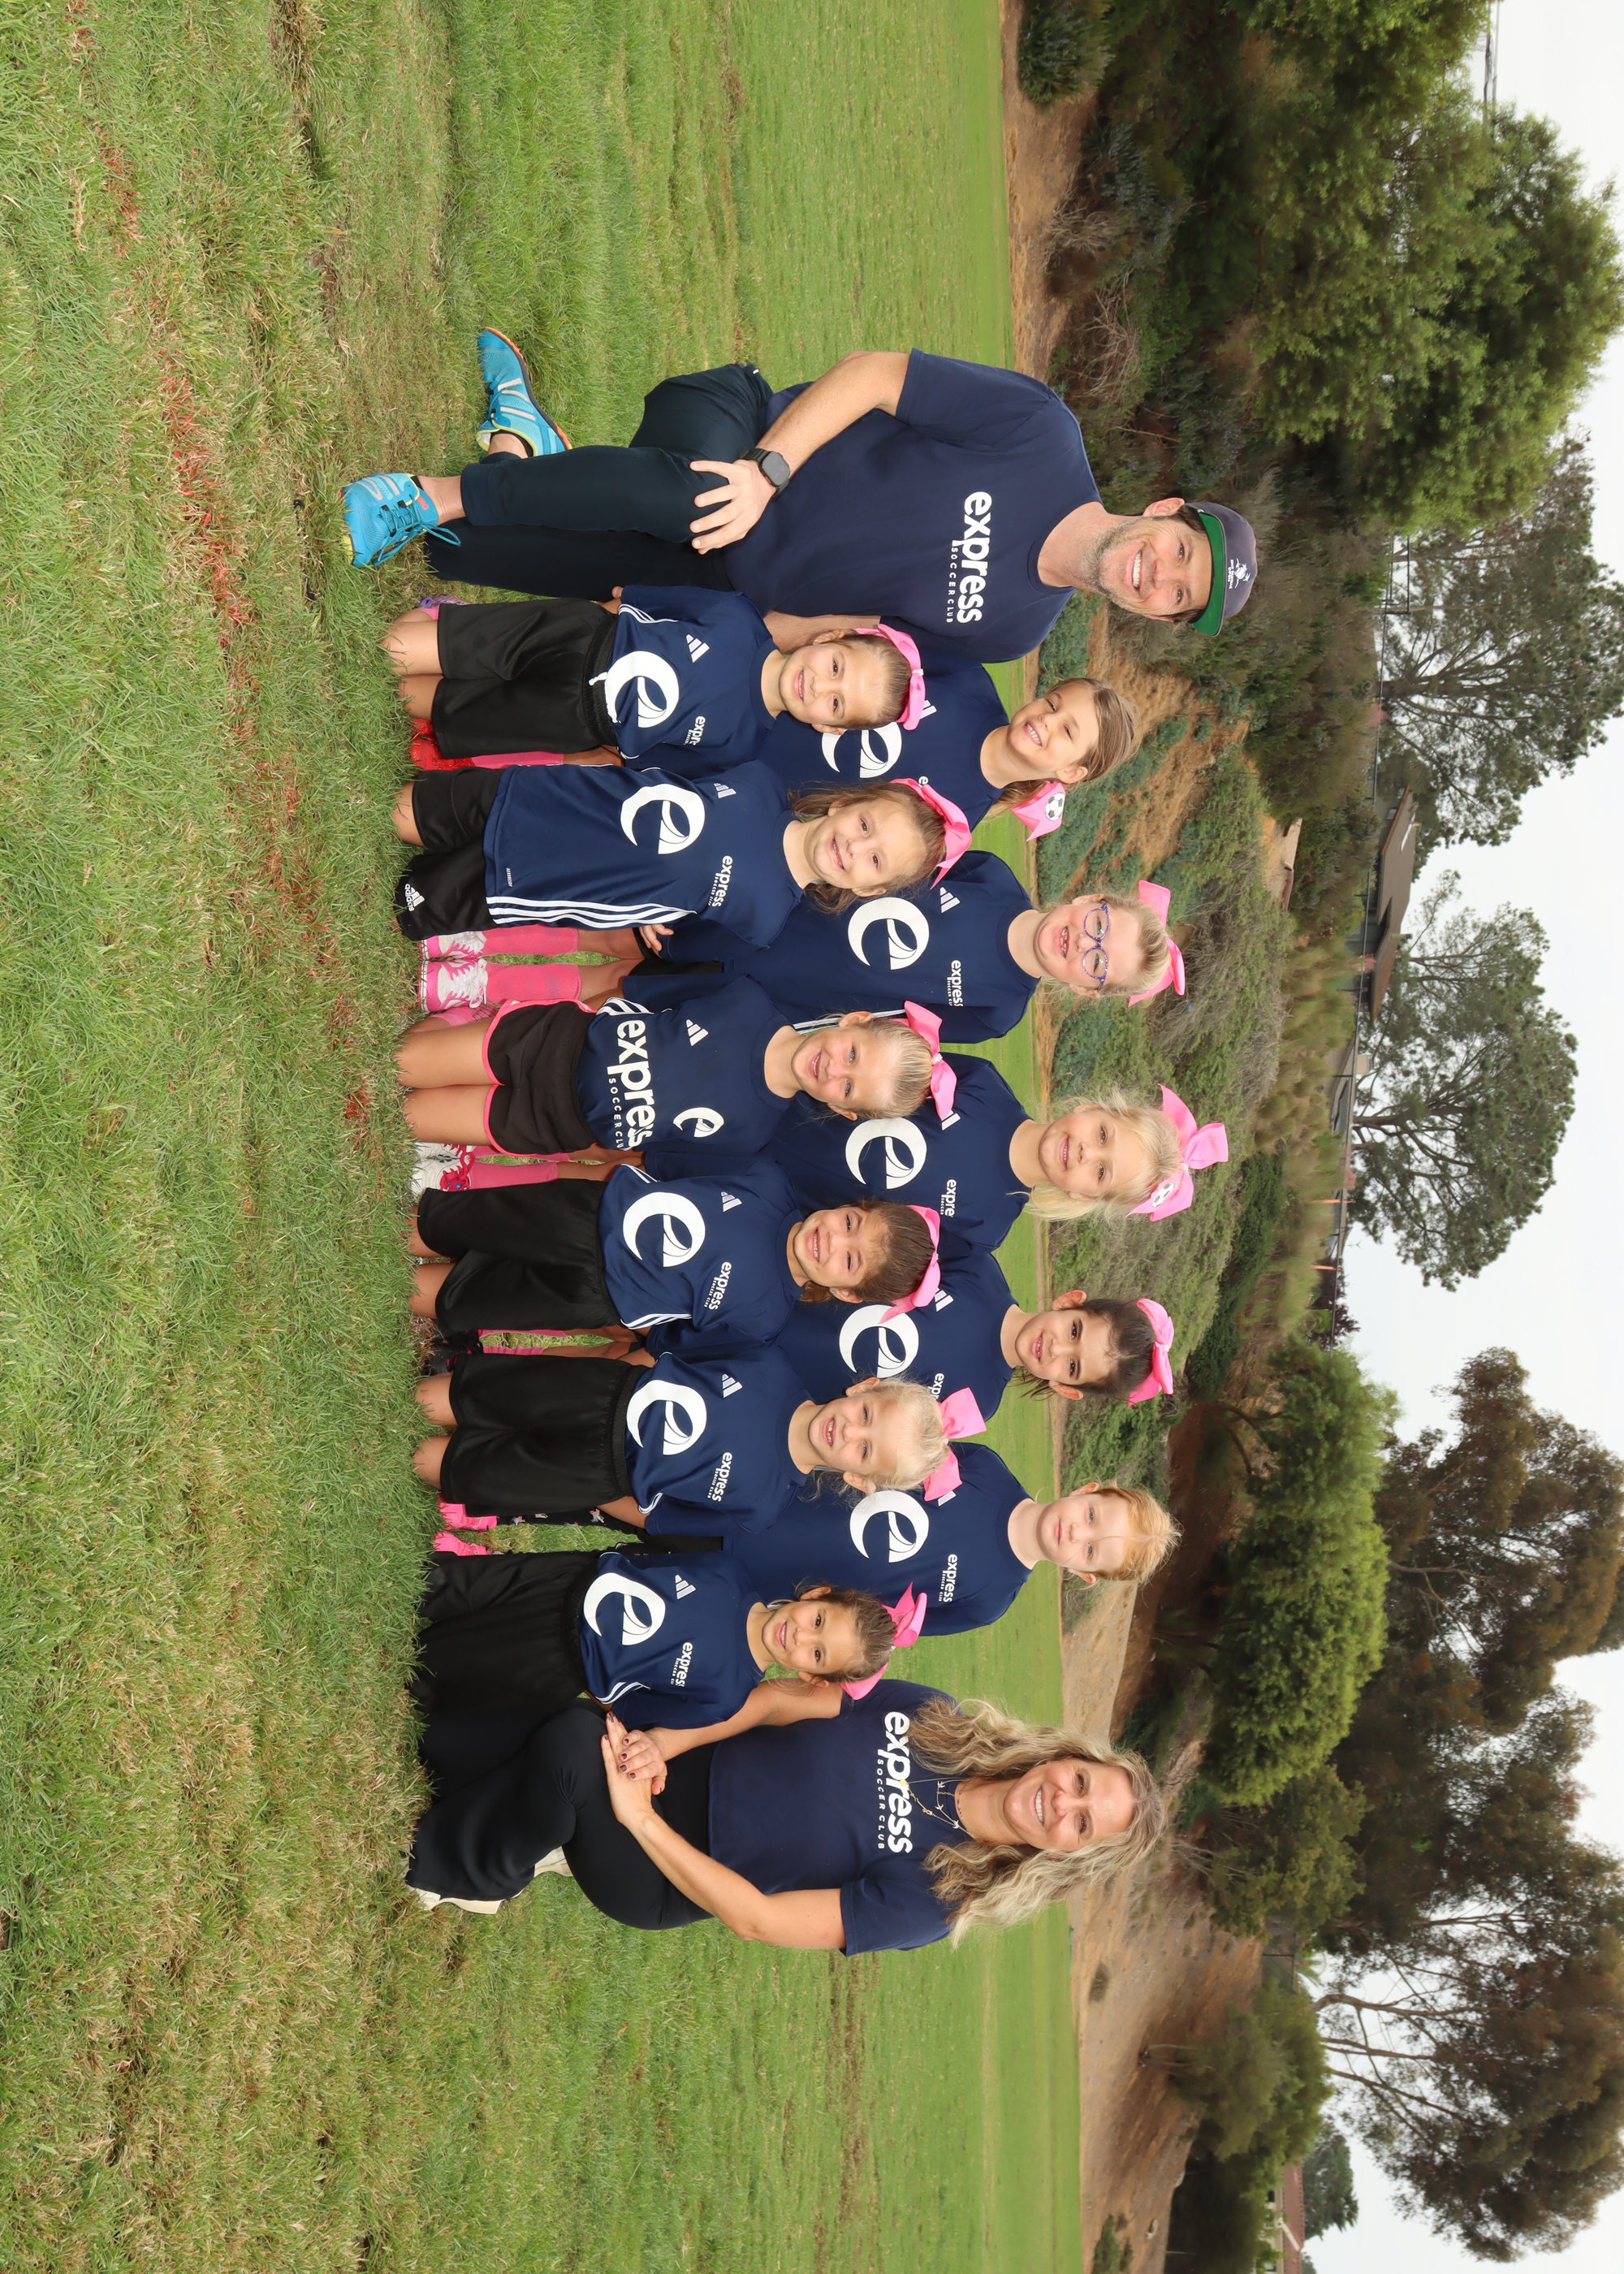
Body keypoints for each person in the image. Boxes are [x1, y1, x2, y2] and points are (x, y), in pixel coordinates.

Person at [342, 335, 1259, 665]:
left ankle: (524, 447)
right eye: (1180, 552)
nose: (1159, 576)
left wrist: (695, 625)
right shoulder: (1041, 436)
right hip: (740, 433)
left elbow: (853, 631)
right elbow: (872, 374)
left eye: (1176, 597)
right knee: (697, 496)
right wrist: (764, 473)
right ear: (1164, 509)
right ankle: (430, 495)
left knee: (465, 556)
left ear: (1155, 616)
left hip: (722, 577)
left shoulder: (1014, 632)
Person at [405, 1679, 1165, 1947]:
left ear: (1071, 1854)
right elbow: (773, 1702)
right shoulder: (937, 1719)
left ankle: (458, 1871)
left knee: (574, 1752)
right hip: (680, 1765)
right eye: (1080, 1782)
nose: (1062, 1802)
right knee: (493, 1731)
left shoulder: (940, 1899)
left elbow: (759, 1920)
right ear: (1066, 1757)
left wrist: (641, 1822)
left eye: (1082, 1822)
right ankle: (469, 1783)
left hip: (667, 1871)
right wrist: (667, 1741)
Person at [389, 761, 960, 953]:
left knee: (402, 904)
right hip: (548, 798)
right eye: (865, 825)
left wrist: (655, 909)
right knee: (401, 811)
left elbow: (681, 924)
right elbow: (665, 782)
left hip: (539, 880)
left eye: (875, 861)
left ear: (868, 890)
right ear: (846, 802)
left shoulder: (763, 920)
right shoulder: (760, 782)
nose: (855, 847)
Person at [411, 1347, 957, 1533]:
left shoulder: (763, 1506)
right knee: (470, 1397)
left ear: (858, 1478)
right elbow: (674, 1350)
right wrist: (623, 1382)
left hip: (597, 1474)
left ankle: (404, 1456)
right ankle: (403, 1404)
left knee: (459, 1465)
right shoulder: (769, 1363)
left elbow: (658, 1517)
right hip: (602, 1392)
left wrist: (596, 1486)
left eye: (864, 1450)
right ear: (864, 1387)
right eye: (866, 1414)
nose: (850, 1431)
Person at [407, 1162, 937, 1352]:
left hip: (595, 1296)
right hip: (589, 1213)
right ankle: (399, 1235)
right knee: (462, 1222)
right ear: (852, 1206)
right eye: (851, 1224)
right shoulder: (768, 1181)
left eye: (850, 1261)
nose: (834, 1241)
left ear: (845, 1291)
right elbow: (673, 1164)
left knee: (473, 1298)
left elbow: (677, 1340)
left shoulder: (765, 1319)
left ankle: (403, 1290)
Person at [391, 977, 937, 1157]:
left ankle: (446, 1037)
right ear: (855, 1020)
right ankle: (455, 1027)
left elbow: (653, 1149)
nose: (834, 1070)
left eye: (848, 1087)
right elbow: (635, 995)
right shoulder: (745, 997)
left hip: (556, 1124)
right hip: (553, 1043)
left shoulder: (752, 1133)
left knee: (405, 1120)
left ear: (842, 1110)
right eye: (853, 1054)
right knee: (401, 1065)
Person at [623, 869, 1174, 1044]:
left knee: (627, 999)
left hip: (771, 999)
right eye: (1099, 926)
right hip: (771, 917)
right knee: (635, 935)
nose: (1083, 942)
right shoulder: (990, 876)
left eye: (1098, 964)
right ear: (1090, 900)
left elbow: (885, 1031)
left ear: (1085, 990)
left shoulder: (997, 1012)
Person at [378, 587, 922, 764]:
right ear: (828, 639)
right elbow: (629, 603)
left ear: (828, 727)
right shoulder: (737, 617)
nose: (821, 686)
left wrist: (585, 746)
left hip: (571, 721)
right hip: (576, 638)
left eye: (835, 703)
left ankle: (435, 680)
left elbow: (636, 759)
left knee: (417, 701)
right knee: (400, 649)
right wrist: (582, 619)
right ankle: (441, 623)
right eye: (836, 668)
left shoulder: (741, 747)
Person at [410, 1541, 898, 1727]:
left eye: (817, 1655)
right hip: (563, 1581)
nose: (801, 1637)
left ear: (811, 1677)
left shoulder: (726, 1696)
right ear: (816, 1595)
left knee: (429, 1672)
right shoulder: (729, 1571)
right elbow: (645, 1560)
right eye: (818, 1621)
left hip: (558, 1662)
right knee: (433, 1584)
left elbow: (632, 1709)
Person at [720, 1466, 1178, 1640]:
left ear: (1084, 1574)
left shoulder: (988, 1602)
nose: (1077, 1532)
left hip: (756, 1593)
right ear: (1086, 1490)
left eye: (1091, 1550)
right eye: (1092, 1515)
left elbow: (874, 1635)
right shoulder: (987, 1471)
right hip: (764, 1502)